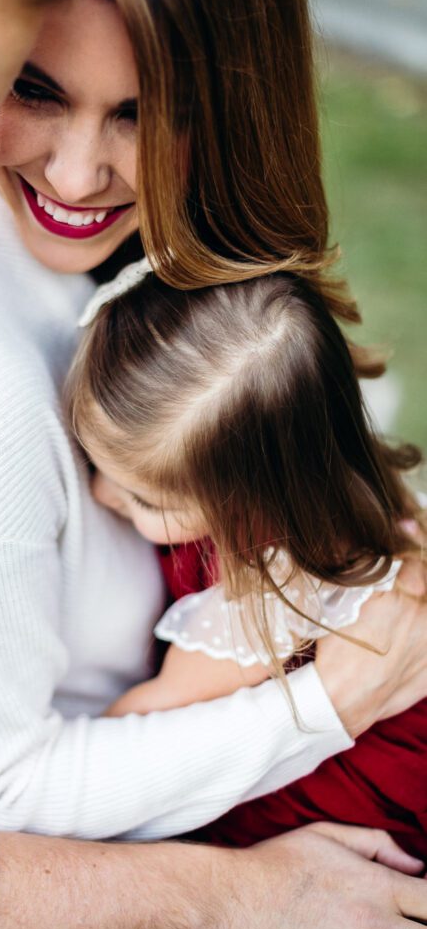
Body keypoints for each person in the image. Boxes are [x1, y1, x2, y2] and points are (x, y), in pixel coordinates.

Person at [0, 0, 427, 929]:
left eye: (146, 112)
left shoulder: (174, 260)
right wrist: (329, 700)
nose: (75, 170)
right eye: (36, 89)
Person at [67, 265, 427, 858]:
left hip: (343, 803)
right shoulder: (336, 485)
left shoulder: (261, 590)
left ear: (247, 506)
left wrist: (74, 743)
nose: (101, 495)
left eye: (144, 499)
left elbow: (143, 721)